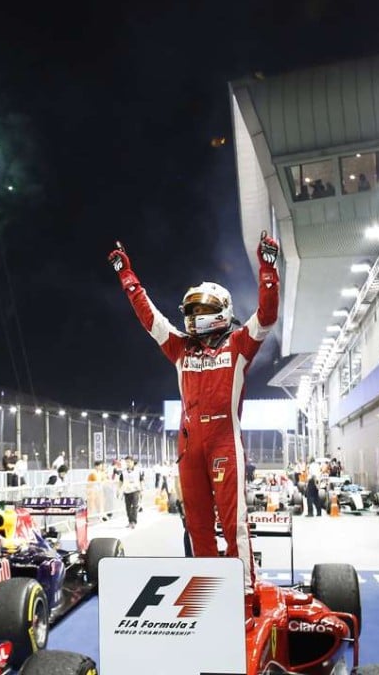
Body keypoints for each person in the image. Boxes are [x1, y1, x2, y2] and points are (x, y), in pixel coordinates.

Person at [108, 231, 279, 617]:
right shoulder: (180, 348)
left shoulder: (239, 344)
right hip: (188, 450)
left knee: (233, 525)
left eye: (202, 310)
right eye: (191, 311)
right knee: (198, 525)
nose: (193, 317)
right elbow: (149, 317)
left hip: (223, 445)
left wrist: (268, 268)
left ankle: (245, 594)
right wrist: (127, 277)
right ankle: (210, 590)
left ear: (221, 310)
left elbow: (267, 315)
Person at [119, 455, 143, 529]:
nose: (128, 463)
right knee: (128, 508)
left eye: (129, 462)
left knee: (134, 507)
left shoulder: (137, 471)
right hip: (126, 491)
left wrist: (142, 490)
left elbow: (141, 480)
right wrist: (119, 490)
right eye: (126, 462)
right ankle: (130, 521)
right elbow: (120, 481)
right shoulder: (123, 472)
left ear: (132, 462)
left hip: (135, 490)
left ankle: (133, 522)